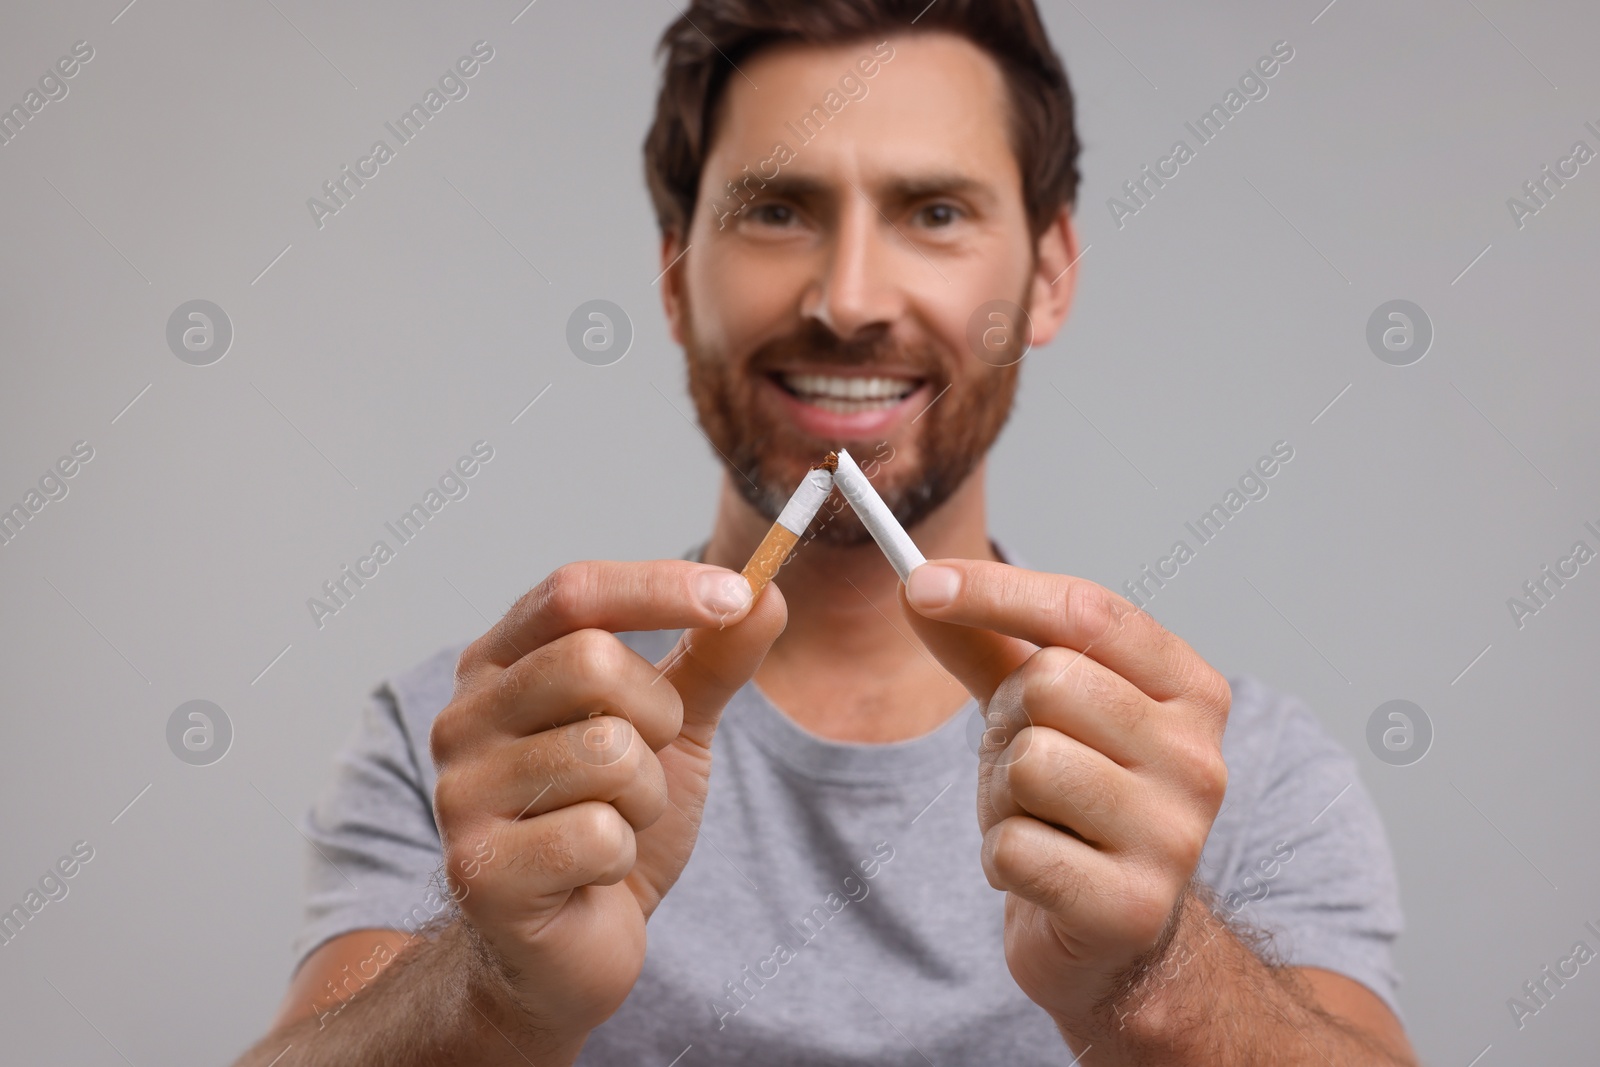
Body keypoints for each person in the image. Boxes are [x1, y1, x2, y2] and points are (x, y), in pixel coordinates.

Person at [234, 2, 1417, 1063]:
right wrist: (499, 992)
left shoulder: (1233, 771)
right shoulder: (482, 745)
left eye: (935, 211)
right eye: (776, 208)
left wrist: (1152, 975)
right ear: (672, 276)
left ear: (1051, 272)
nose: (847, 298)